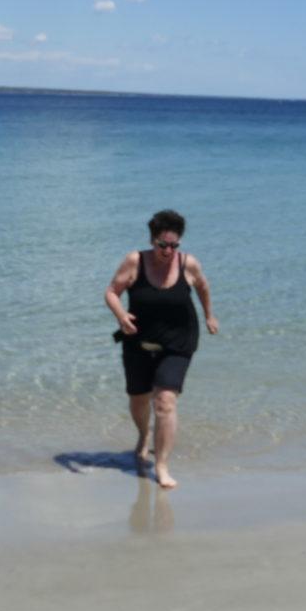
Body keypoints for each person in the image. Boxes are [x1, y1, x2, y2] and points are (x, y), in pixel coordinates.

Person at [105, 209, 218, 489]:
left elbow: (203, 287)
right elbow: (111, 292)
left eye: (173, 245)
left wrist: (209, 315)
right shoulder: (135, 261)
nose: (167, 251)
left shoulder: (188, 264)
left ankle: (162, 466)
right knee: (138, 399)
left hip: (178, 341)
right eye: (162, 245)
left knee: (165, 401)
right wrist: (121, 316)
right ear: (152, 240)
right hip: (138, 340)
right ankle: (144, 435)